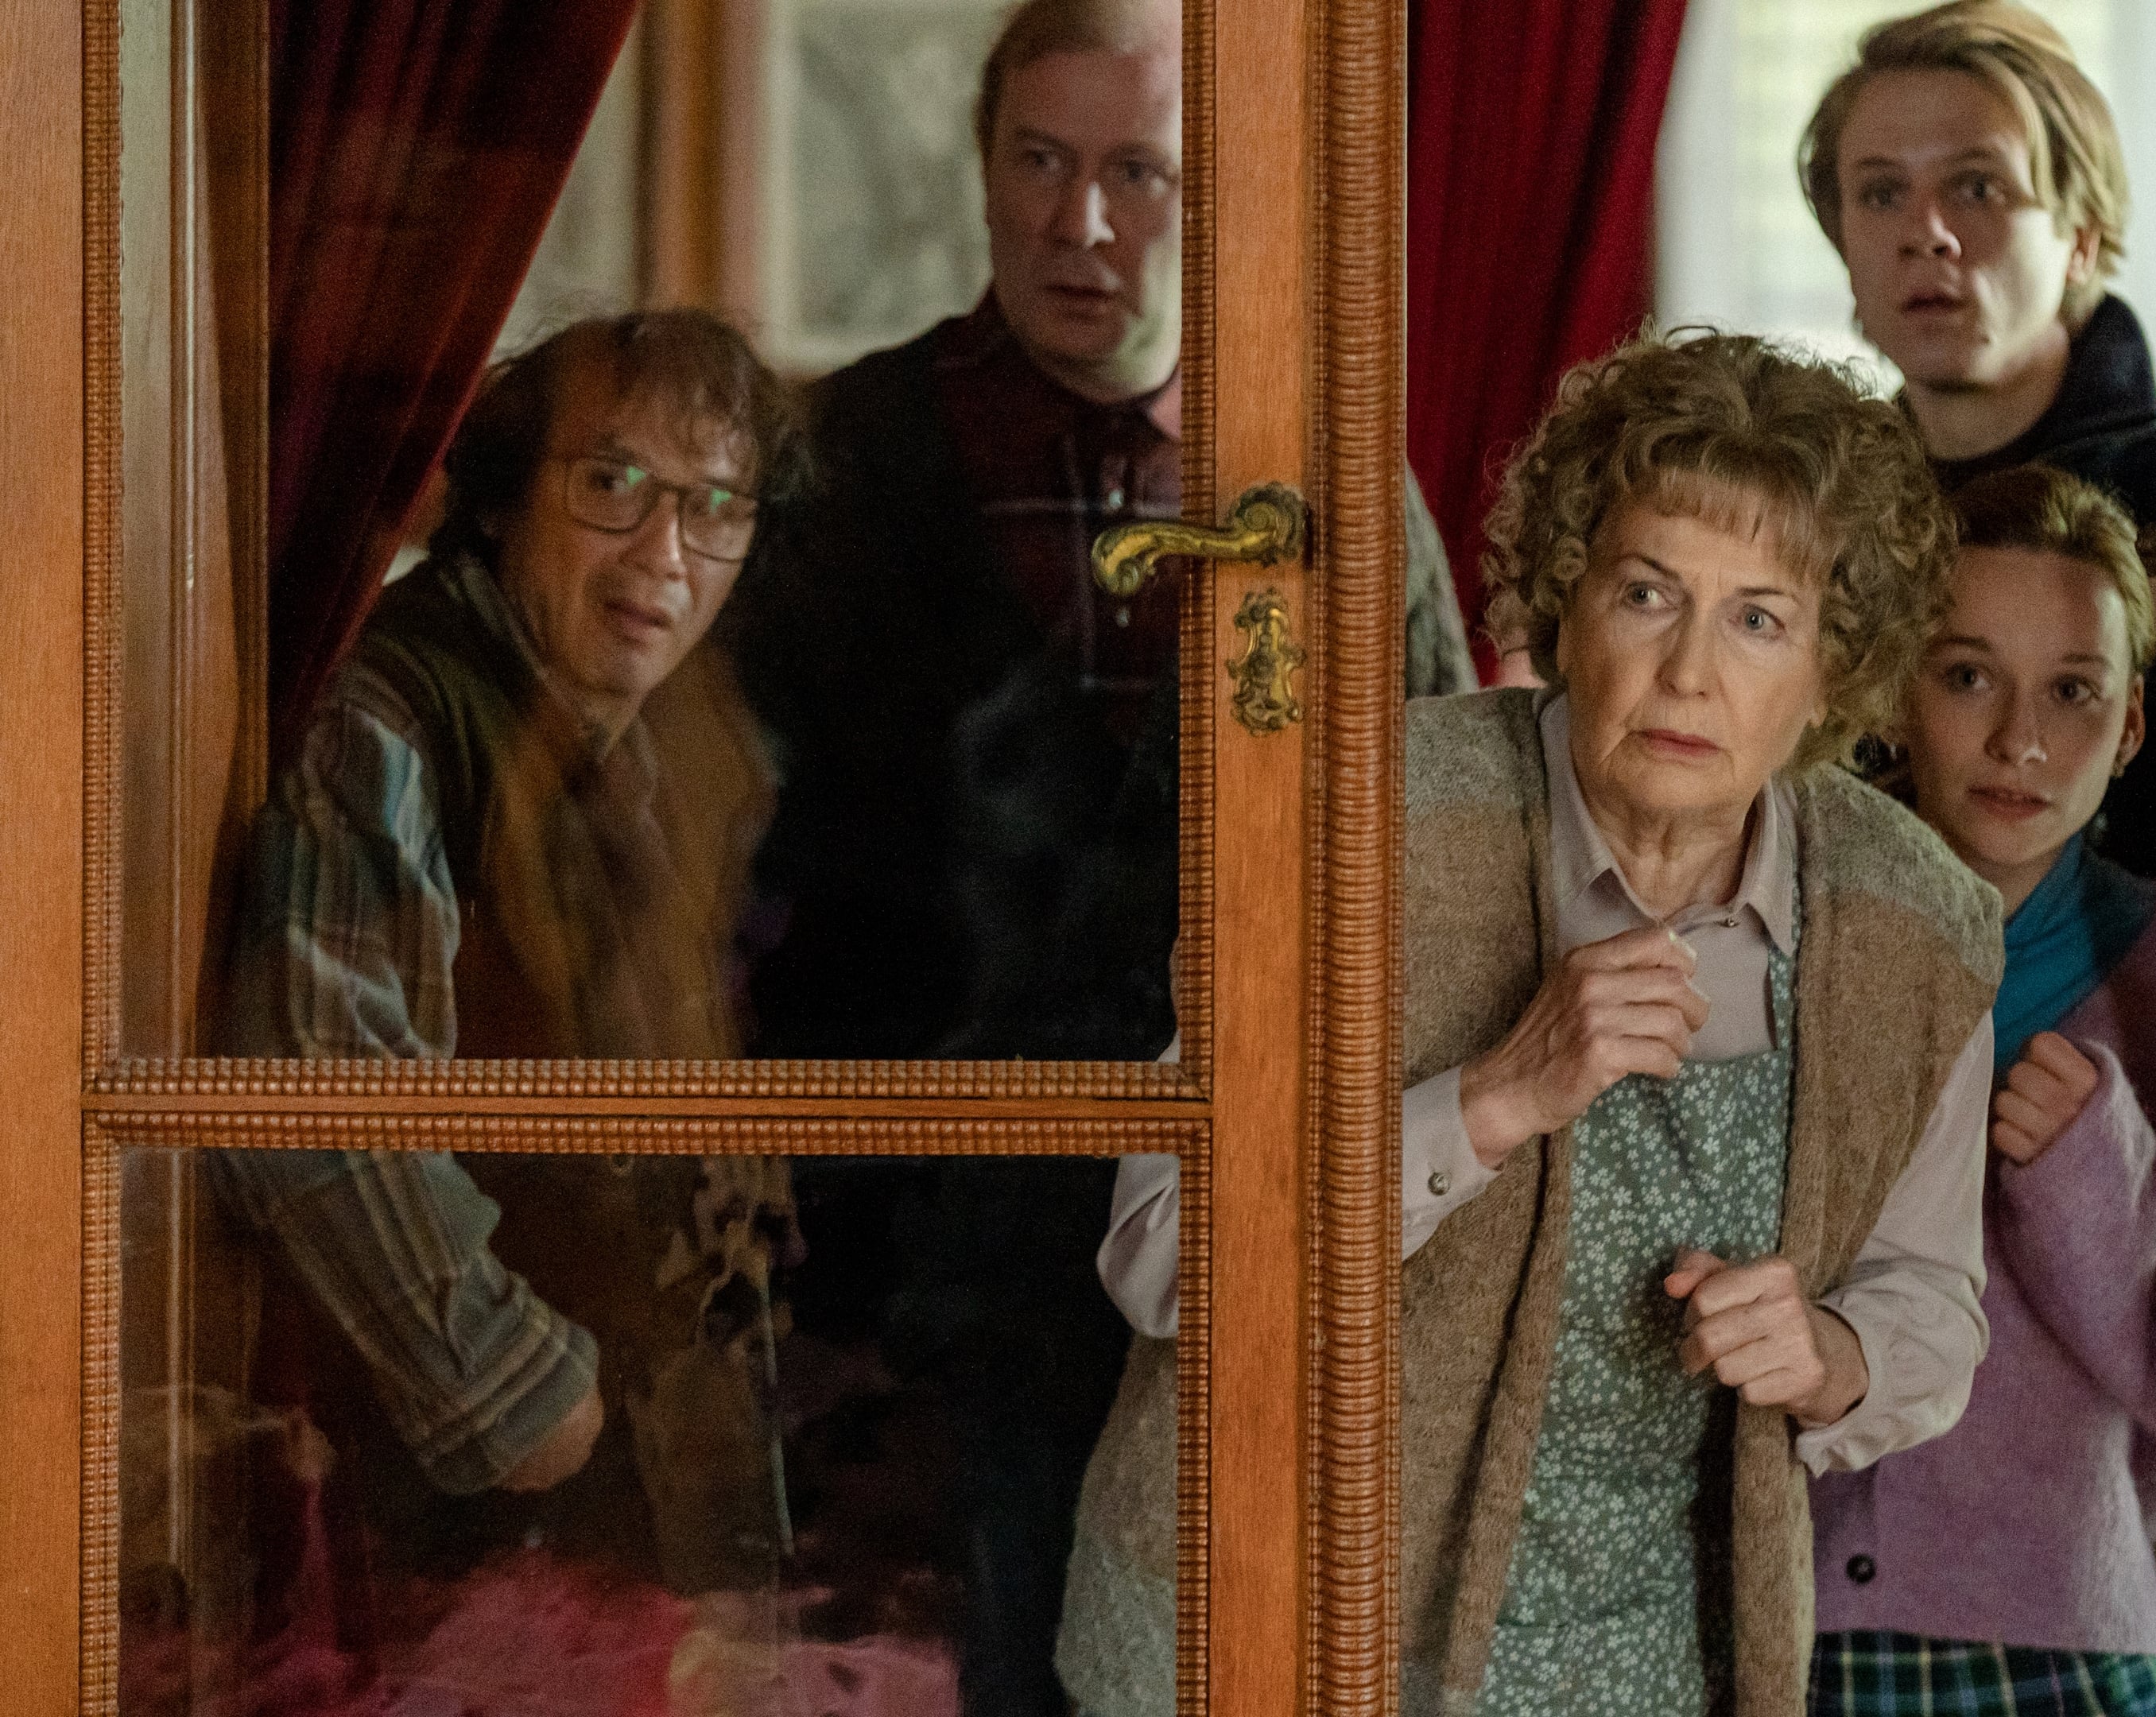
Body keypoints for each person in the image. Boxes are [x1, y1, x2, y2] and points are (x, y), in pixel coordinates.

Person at [1058, 331, 2002, 1716]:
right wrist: (1491, 1100)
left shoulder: (1913, 925)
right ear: (1567, 605)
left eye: (1758, 620)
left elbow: (1930, 1296)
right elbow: (1162, 1255)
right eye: (1646, 593)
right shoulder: (1356, 824)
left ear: (1832, 668)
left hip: (1643, 1671)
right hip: (1262, 1636)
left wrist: (1830, 1358)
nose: (1688, 673)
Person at [715, 2, 1467, 1704]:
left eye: (1142, 173)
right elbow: (717, 883)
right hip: (893, 1285)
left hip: (1235, 1258)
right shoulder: (835, 466)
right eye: (1039, 162)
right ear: (982, 168)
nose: (1082, 222)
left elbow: (1438, 860)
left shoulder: (1326, 479)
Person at [215, 309, 807, 1596]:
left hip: (626, 1496)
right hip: (448, 1516)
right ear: (497, 500)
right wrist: (517, 1392)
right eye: (611, 485)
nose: (664, 553)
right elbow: (309, 1089)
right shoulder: (393, 714)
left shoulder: (670, 743)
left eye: (716, 508)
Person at [1804, 463, 2156, 1715]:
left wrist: (2096, 1175)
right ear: (1895, 693)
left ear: (2132, 726)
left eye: (2073, 691)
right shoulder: (1779, 925)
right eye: (1968, 675)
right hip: (1768, 1629)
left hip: (2066, 1650)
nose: (2020, 740)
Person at [1802, 0, 2156, 881]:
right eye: (1881, 193)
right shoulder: (1818, 509)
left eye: (1976, 187)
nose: (1926, 233)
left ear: (2080, 238)